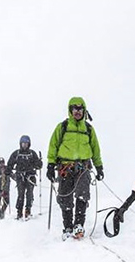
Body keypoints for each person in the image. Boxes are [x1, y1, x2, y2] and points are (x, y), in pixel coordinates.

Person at [46, 97, 103, 240]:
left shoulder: (89, 129)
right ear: (70, 111)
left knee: (82, 195)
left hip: (83, 167)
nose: (78, 112)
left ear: (84, 110)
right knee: (65, 197)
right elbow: (53, 146)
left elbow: (95, 149)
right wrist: (50, 165)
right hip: (65, 167)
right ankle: (67, 227)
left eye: (80, 109)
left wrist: (99, 166)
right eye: (75, 109)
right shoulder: (63, 127)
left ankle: (79, 224)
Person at [6, 135, 43, 220]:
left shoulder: (32, 153)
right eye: (23, 143)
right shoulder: (17, 153)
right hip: (20, 177)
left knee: (29, 194)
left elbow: (38, 165)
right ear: (20, 144)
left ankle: (28, 210)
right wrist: (11, 173)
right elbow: (10, 165)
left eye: (26, 143)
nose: (24, 145)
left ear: (29, 144)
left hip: (30, 176)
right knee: (20, 194)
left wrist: (39, 163)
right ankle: (19, 212)